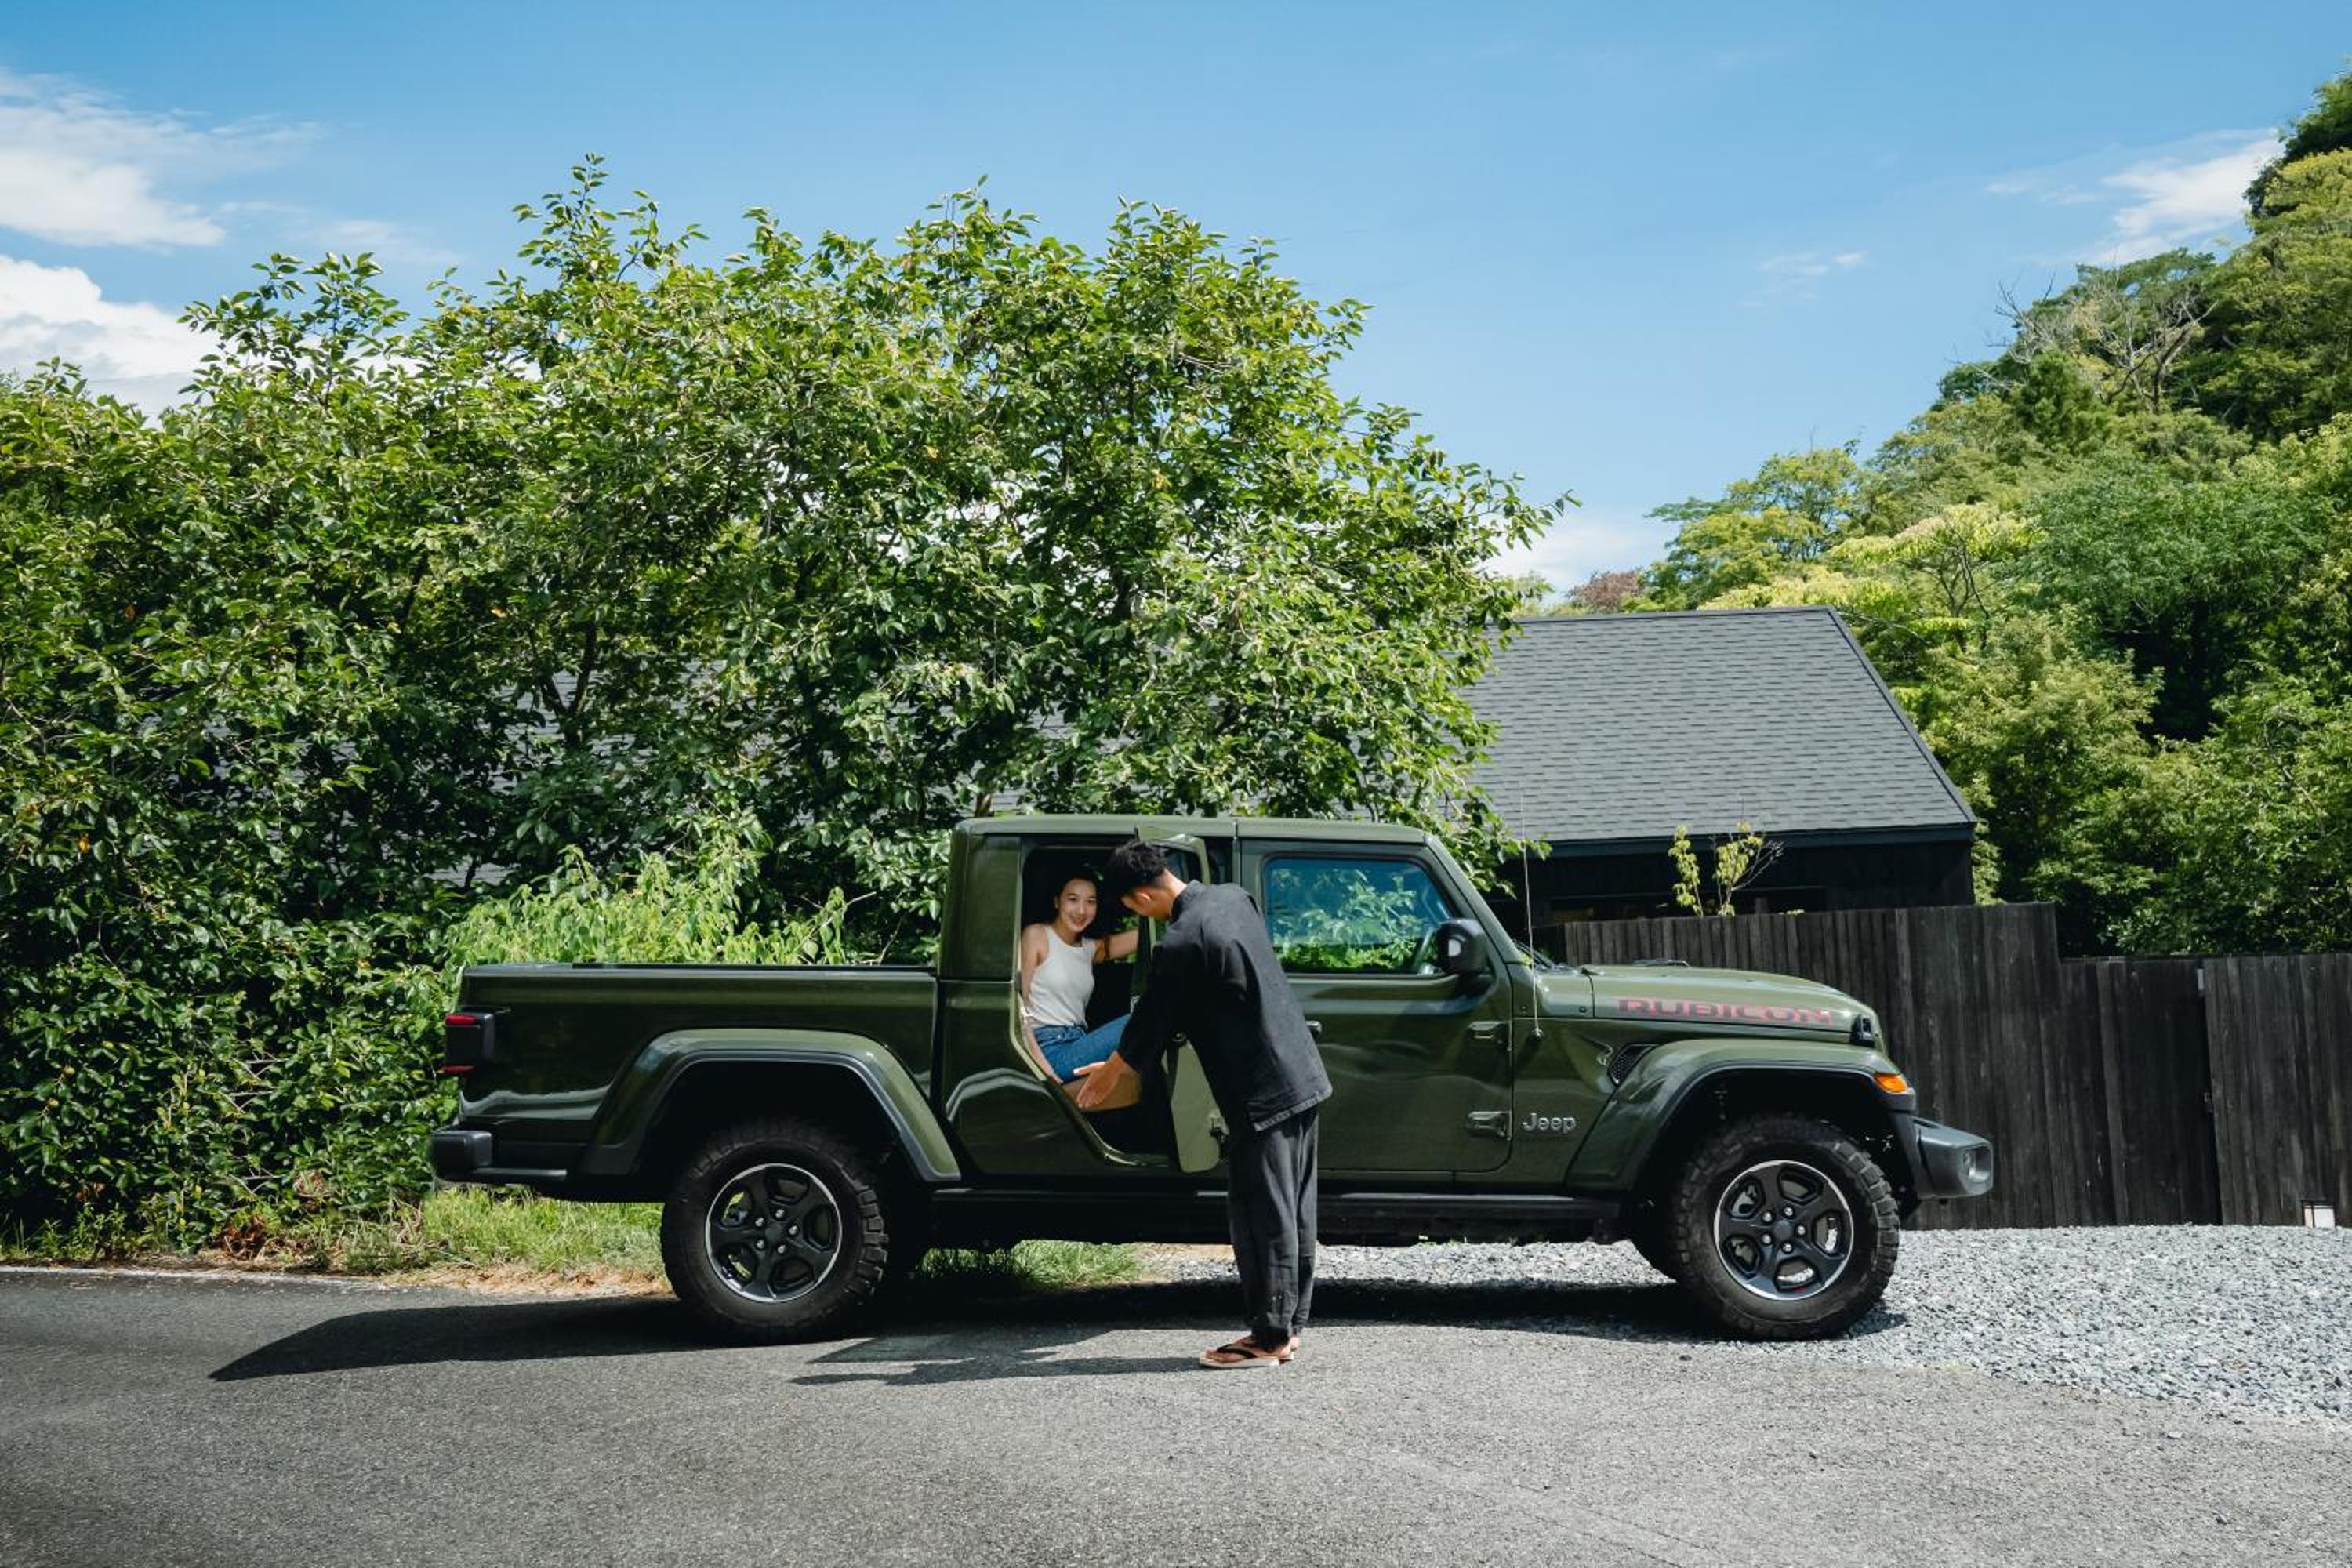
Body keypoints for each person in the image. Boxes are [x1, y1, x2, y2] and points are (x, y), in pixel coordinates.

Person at [1078, 838, 1331, 1370]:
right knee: (1293, 1208)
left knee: (1261, 1214)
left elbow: (1151, 1019)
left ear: (1140, 897)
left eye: (1132, 907)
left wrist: (1109, 1075)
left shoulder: (1182, 940)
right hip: (1302, 1073)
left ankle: (1269, 1338)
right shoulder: (1233, 898)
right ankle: (1289, 1326)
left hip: (1261, 1092)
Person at [1019, 873, 1138, 1083]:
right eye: (1073, 899)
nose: (1082, 911)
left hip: (1079, 1042)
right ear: (1057, 902)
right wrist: (1046, 1074)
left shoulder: (1089, 949)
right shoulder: (1036, 935)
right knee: (1145, 1016)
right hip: (1049, 1050)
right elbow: (1018, 1009)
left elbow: (1144, 936)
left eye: (1090, 902)